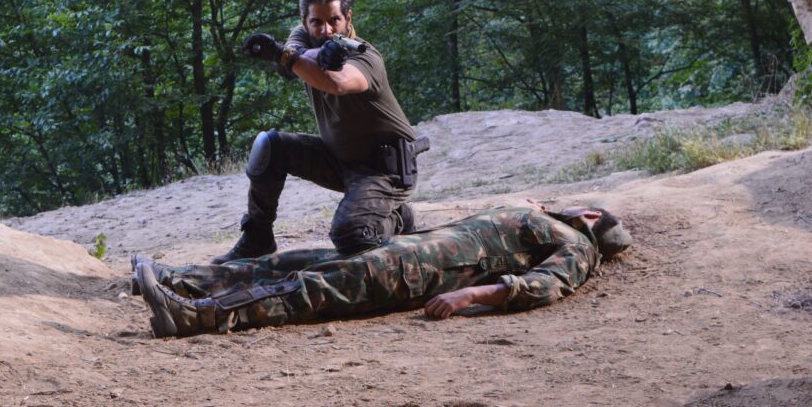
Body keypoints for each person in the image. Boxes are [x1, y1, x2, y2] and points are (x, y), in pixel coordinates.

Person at [134, 202, 633, 338]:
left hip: (425, 271)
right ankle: (180, 278)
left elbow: (544, 286)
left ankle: (197, 315)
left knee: (311, 288)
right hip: (407, 248)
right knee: (295, 260)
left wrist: (471, 297)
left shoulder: (577, 246)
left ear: (592, 218)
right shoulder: (543, 214)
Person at [215, 0, 425, 264]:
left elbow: (337, 83)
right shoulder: (303, 35)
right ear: (305, 20)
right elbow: (287, 65)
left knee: (352, 235)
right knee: (269, 146)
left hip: (385, 169)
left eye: (334, 21)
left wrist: (287, 55)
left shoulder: (366, 57)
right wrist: (307, 55)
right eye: (317, 22)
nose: (326, 30)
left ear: (348, 18)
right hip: (341, 160)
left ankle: (398, 218)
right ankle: (257, 238)